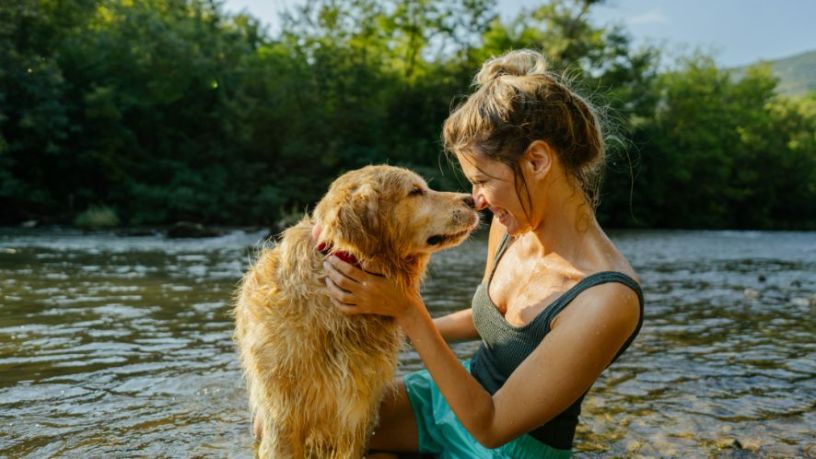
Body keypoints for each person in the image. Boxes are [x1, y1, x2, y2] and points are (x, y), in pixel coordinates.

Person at [323, 49, 644, 459]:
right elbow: (486, 318)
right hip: (445, 402)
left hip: (505, 444)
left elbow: (492, 426)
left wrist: (407, 311)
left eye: (482, 180)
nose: (476, 200)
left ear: (537, 160)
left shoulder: (606, 299)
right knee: (292, 426)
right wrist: (379, 327)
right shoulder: (509, 228)